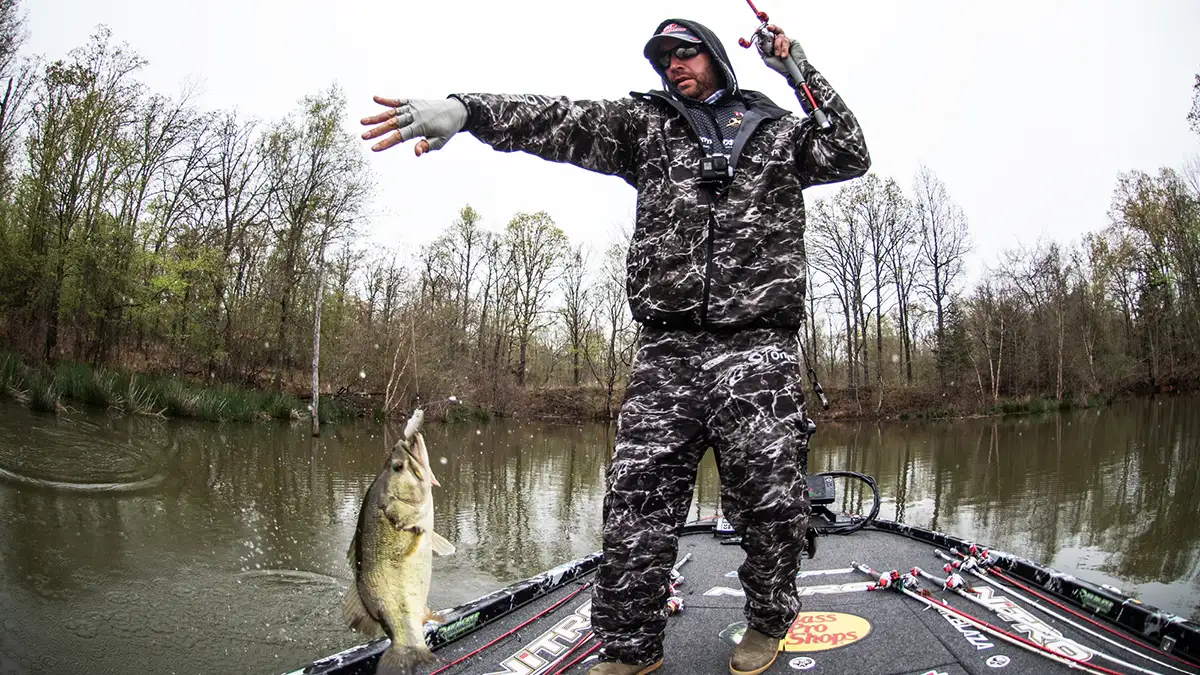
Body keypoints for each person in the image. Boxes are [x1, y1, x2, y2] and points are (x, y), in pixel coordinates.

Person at [360, 16, 869, 675]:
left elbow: (850, 150)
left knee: (772, 506)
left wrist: (799, 71)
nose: (672, 65)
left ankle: (767, 622)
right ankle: (632, 651)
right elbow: (560, 121)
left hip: (758, 350)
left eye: (686, 52)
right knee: (634, 505)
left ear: (717, 56)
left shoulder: (774, 132)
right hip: (666, 349)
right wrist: (467, 110)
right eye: (662, 57)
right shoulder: (648, 127)